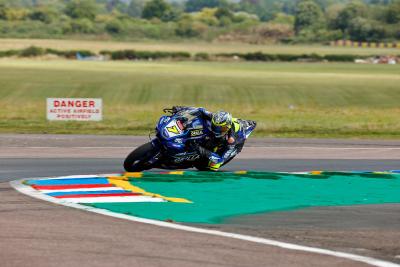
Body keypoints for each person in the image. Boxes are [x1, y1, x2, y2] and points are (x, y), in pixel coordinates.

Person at [171, 106, 256, 171]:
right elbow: (200, 110)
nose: (217, 130)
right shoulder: (214, 117)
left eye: (221, 128)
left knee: (209, 167)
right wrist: (181, 109)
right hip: (231, 124)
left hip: (237, 142)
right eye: (215, 126)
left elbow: (219, 160)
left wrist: (199, 149)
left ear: (227, 128)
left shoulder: (231, 140)